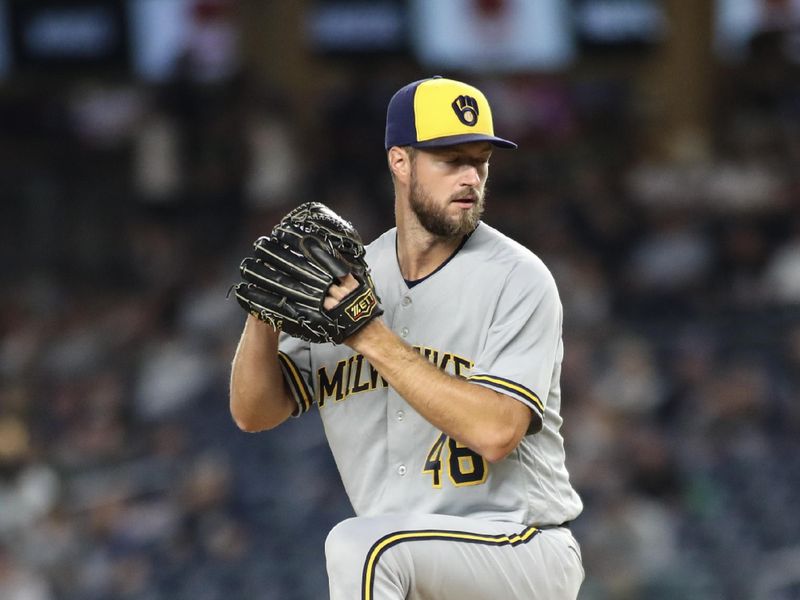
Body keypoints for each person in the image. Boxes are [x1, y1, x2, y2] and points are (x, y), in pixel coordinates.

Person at [229, 76, 584, 599]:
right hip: (407, 567)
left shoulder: (517, 278)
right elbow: (254, 412)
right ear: (401, 162)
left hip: (518, 547)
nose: (470, 177)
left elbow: (496, 432)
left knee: (361, 547)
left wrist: (368, 335)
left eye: (480, 160)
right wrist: (265, 314)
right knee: (374, 550)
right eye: (450, 159)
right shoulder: (349, 277)